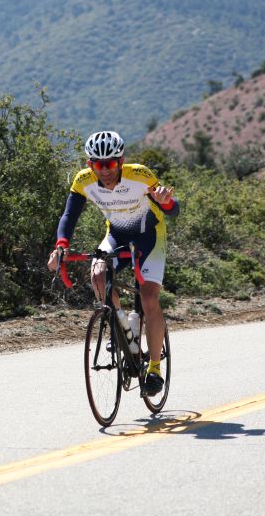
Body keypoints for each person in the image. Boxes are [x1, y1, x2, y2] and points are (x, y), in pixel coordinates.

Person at [47, 130, 179, 396]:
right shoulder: (83, 181)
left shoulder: (140, 175)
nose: (104, 170)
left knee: (149, 296)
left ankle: (154, 368)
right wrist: (61, 246)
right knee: (97, 274)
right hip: (117, 234)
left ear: (121, 161)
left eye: (110, 164)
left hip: (149, 235)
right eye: (98, 164)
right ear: (90, 165)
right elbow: (69, 216)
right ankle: (124, 331)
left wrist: (166, 203)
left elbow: (173, 209)